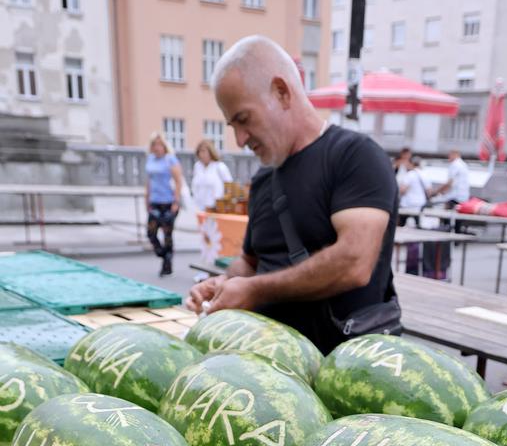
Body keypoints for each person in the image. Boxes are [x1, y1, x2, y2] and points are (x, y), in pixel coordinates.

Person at [186, 35, 400, 353]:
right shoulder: (264, 179)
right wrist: (224, 284)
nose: (240, 139)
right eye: (232, 125)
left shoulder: (355, 157)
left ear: (282, 92)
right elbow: (251, 260)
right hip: (270, 364)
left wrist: (254, 290)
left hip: (341, 365)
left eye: (243, 120)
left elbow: (354, 263)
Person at [145, 131, 182, 276]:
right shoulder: (150, 160)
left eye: (159, 144)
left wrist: (176, 202)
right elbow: (148, 182)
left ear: (164, 146)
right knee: (151, 232)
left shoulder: (170, 160)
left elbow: (178, 182)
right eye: (154, 144)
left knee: (167, 234)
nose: (157, 147)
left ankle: (167, 265)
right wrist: (146, 199)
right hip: (155, 201)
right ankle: (163, 254)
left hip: (168, 202)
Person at [190, 140, 233, 211]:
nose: (201, 154)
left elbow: (229, 186)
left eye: (204, 151)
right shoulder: (197, 166)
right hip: (200, 208)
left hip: (215, 209)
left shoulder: (219, 166)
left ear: (210, 152)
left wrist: (222, 204)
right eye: (199, 152)